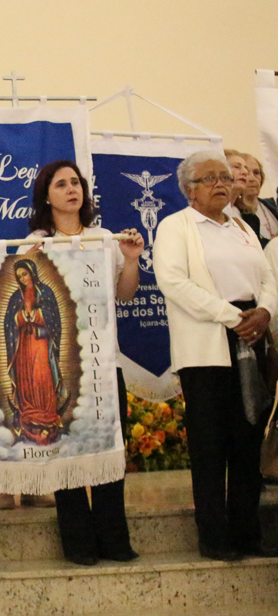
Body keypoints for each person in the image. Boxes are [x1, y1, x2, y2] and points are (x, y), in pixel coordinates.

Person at [14, 159, 144, 564]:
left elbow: (123, 296)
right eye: (61, 184)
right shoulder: (34, 243)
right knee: (67, 450)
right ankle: (79, 544)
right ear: (46, 196)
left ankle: (114, 539)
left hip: (106, 362)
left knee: (110, 451)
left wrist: (131, 259)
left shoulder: (104, 238)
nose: (71, 190)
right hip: (58, 364)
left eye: (76, 183)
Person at [153, 150, 278, 561]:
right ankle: (214, 537)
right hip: (208, 348)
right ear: (189, 190)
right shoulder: (177, 227)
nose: (222, 183)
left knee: (247, 440)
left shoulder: (241, 226)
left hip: (251, 340)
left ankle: (247, 534)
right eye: (210, 178)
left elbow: (268, 277)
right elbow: (173, 282)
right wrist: (232, 316)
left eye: (225, 176)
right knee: (210, 445)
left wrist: (264, 311)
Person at [4, 259, 66, 445]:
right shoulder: (16, 296)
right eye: (19, 276)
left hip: (41, 343)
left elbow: (54, 319)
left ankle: (47, 416)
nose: (23, 279)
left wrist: (38, 316)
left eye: (25, 274)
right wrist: (21, 317)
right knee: (25, 379)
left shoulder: (45, 292)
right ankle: (29, 417)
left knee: (41, 376)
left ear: (32, 272)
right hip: (23, 346)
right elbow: (8, 321)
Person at [235, 153, 278, 243]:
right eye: (246, 173)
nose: (252, 178)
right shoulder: (233, 212)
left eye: (256, 173)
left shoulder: (272, 204)